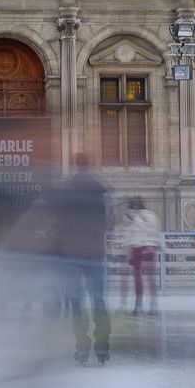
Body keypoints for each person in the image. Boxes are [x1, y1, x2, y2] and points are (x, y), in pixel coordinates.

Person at [52, 153, 110, 366]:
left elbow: (60, 224)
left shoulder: (66, 191)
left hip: (72, 253)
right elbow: (106, 222)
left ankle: (81, 347)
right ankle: (103, 346)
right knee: (99, 300)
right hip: (95, 252)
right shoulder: (100, 191)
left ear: (75, 165)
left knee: (76, 302)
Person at [123, 197, 160, 315]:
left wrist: (128, 253)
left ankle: (138, 306)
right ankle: (154, 306)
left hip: (137, 247)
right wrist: (154, 246)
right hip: (150, 248)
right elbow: (155, 232)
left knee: (138, 277)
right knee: (151, 277)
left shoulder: (129, 216)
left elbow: (128, 235)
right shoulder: (151, 215)